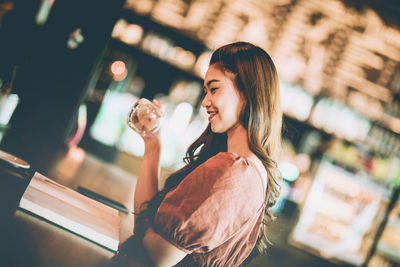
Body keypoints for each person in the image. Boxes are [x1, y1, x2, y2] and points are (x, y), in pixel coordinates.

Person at [120, 41, 282, 267]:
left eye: (214, 89)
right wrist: (152, 143)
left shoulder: (236, 170)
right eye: (206, 91)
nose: (205, 101)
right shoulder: (251, 171)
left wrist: (142, 225)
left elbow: (160, 255)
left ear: (248, 91)